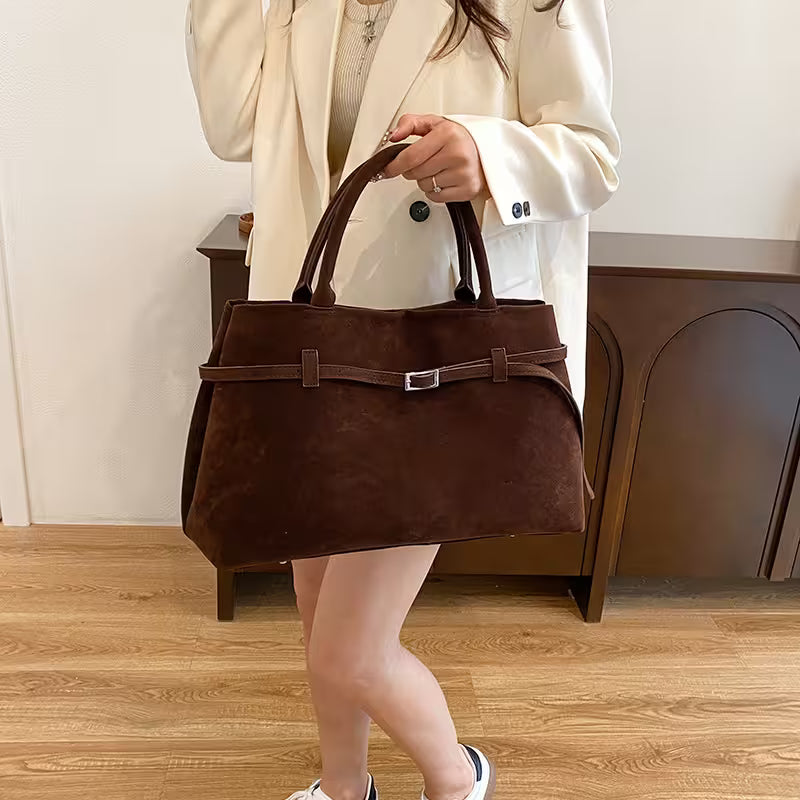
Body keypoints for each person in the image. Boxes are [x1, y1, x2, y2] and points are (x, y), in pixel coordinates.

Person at [186, 0, 620, 798]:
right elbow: (235, 127)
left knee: (348, 649)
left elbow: (593, 156)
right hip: (313, 341)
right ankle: (343, 787)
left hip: (429, 359)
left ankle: (458, 781)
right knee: (316, 607)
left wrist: (490, 152)